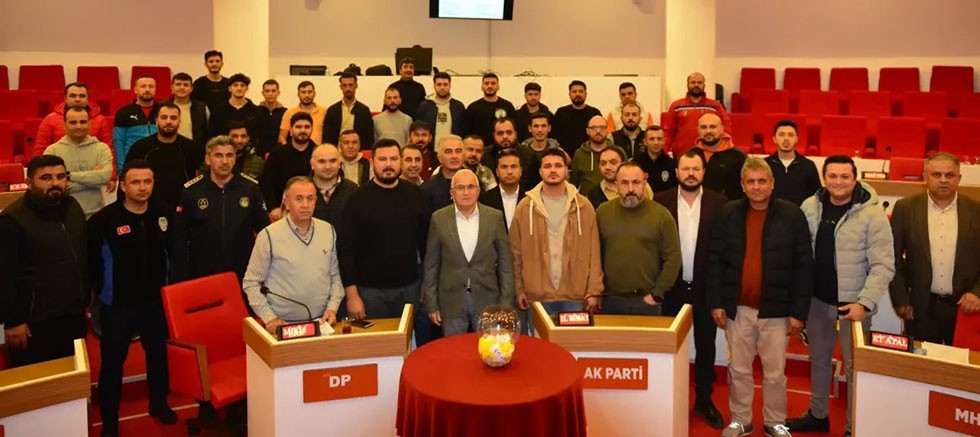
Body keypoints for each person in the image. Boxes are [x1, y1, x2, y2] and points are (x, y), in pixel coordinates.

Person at [789, 155, 895, 437]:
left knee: (854, 368)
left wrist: (865, 303)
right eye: (832, 176)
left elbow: (884, 265)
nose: (838, 182)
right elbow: (800, 253)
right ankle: (818, 415)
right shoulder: (810, 206)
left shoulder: (872, 214)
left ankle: (853, 426)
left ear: (854, 178)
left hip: (854, 306)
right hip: (817, 301)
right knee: (818, 361)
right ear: (824, 178)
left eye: (844, 176)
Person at [707, 157, 813, 437]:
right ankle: (741, 420)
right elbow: (715, 261)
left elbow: (804, 266)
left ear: (772, 183)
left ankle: (774, 422)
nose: (756, 187)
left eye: (762, 181)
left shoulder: (792, 215)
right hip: (738, 309)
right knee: (739, 369)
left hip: (777, 311)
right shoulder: (728, 214)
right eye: (751, 182)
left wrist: (799, 312)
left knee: (775, 373)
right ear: (742, 185)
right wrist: (716, 302)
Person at [88, 160, 177, 436]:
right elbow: (92, 264)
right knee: (112, 364)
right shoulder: (103, 221)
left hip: (155, 303)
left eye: (147, 181)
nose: (142, 187)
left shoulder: (164, 214)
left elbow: (172, 255)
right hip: (117, 306)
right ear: (123, 186)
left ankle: (159, 404)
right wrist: (96, 299)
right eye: (135, 182)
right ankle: (110, 421)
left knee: (158, 356)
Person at [654, 149, 729, 430]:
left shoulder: (720, 203)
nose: (690, 174)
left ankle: (704, 400)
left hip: (705, 289)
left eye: (696, 169)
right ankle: (664, 398)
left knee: (706, 347)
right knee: (667, 347)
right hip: (670, 289)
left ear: (704, 172)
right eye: (685, 169)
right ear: (676, 172)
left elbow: (723, 252)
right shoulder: (659, 201)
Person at [0, 155, 88, 368]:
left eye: (61, 176)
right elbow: (4, 275)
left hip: (73, 313)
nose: (55, 183)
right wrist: (13, 320)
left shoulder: (73, 206)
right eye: (46, 178)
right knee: (37, 382)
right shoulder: (12, 220)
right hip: (34, 322)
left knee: (73, 377)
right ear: (29, 183)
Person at [891, 153, 980, 344]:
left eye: (950, 175)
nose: (943, 180)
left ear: (959, 178)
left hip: (965, 307)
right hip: (919, 308)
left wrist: (978, 292)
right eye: (937, 175)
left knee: (961, 362)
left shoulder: (976, 210)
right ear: (925, 177)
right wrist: (900, 299)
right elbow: (893, 257)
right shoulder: (905, 208)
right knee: (921, 361)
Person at [338, 139, 430, 321]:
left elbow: (426, 244)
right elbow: (345, 250)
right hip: (369, 292)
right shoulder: (355, 199)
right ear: (372, 162)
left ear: (400, 161)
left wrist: (427, 282)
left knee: (407, 338)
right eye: (382, 159)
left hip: (409, 288)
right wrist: (352, 295)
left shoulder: (416, 194)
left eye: (393, 159)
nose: (388, 164)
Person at [510, 148, 602, 328]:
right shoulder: (525, 207)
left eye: (558, 166)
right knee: (539, 345)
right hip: (537, 294)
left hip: (575, 294)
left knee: (573, 343)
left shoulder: (584, 206)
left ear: (566, 170)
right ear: (540, 171)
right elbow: (515, 253)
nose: (553, 170)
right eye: (548, 166)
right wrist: (519, 289)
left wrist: (594, 290)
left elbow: (594, 252)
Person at [244, 176, 344, 333]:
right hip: (284, 325)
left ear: (315, 201)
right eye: (299, 199)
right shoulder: (268, 235)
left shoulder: (328, 231)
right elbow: (251, 282)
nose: (305, 205)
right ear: (287, 202)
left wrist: (332, 308)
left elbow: (336, 277)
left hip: (322, 322)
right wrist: (269, 318)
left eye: (310, 198)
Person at [423, 169, 514, 335]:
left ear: (478, 191)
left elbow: (506, 264)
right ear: (452, 193)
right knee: (455, 350)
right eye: (460, 188)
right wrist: (432, 304)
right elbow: (431, 265)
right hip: (451, 302)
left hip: (487, 300)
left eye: (471, 187)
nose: (466, 192)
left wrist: (505, 304)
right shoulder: (439, 218)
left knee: (489, 349)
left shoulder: (494, 217)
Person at [172, 136, 270, 284]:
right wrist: (181, 276)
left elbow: (264, 231)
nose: (224, 161)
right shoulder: (192, 191)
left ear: (235, 158)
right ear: (208, 159)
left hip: (243, 273)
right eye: (218, 155)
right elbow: (180, 237)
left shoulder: (250, 189)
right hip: (202, 273)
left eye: (229, 155)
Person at [597, 162, 681, 315]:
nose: (631, 189)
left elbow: (673, 258)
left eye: (636, 182)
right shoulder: (603, 213)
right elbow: (593, 255)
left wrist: (657, 294)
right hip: (610, 300)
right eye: (624, 183)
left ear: (644, 183)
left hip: (647, 301)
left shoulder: (661, 215)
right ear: (616, 185)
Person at [125, 103, 203, 210]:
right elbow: (126, 179)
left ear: (179, 122)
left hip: (183, 207)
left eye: (173, 118)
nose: (168, 121)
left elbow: (204, 177)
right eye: (164, 117)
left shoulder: (191, 148)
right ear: (157, 121)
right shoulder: (140, 147)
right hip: (147, 208)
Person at [43, 106, 113, 217]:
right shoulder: (52, 151)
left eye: (83, 122)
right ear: (64, 125)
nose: (78, 126)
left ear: (89, 124)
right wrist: (94, 180)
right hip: (63, 215)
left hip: (96, 215)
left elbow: (105, 177)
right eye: (73, 122)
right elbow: (54, 187)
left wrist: (69, 176)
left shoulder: (102, 148)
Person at [35, 82, 113, 160]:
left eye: (82, 96)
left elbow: (109, 151)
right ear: (65, 98)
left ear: (87, 99)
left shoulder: (100, 120)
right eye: (73, 96)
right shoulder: (50, 119)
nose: (77, 99)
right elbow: (40, 150)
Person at [663, 72, 731, 156]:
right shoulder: (676, 106)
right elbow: (668, 132)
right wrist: (663, 153)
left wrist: (724, 149)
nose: (696, 85)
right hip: (683, 155)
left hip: (710, 154)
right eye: (693, 82)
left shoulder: (715, 106)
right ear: (687, 85)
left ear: (704, 85)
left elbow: (726, 128)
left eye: (699, 82)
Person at [261, 112, 316, 214]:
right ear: (290, 130)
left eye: (307, 127)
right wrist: (273, 208)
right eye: (298, 127)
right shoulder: (277, 154)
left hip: (313, 209)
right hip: (281, 210)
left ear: (312, 129)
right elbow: (266, 183)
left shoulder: (318, 154)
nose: (303, 130)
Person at [765, 119, 820, 206]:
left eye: (790, 135)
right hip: (771, 213)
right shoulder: (765, 165)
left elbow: (816, 197)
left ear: (796, 139)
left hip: (800, 213)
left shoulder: (808, 165)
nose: (786, 138)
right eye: (781, 135)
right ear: (774, 139)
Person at [694, 113, 746, 201]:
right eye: (703, 127)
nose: (708, 131)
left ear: (722, 128)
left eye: (713, 127)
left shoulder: (739, 157)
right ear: (698, 130)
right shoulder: (690, 156)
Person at [570, 115, 625, 197]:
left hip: (615, 198)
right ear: (587, 131)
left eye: (602, 127)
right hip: (587, 200)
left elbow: (626, 176)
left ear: (607, 130)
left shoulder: (618, 152)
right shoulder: (579, 154)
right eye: (594, 128)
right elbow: (574, 184)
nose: (598, 131)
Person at [113, 74, 160, 171]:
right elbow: (119, 142)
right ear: (135, 90)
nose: (147, 89)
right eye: (143, 86)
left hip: (158, 161)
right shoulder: (124, 112)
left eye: (151, 86)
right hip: (133, 163)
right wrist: (122, 169)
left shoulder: (163, 111)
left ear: (155, 89)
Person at [586, 147, 652, 208]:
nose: (607, 167)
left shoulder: (643, 186)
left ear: (623, 164)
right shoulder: (592, 196)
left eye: (613, 162)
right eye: (603, 163)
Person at [551, 80, 602, 158]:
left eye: (581, 91)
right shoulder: (561, 113)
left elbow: (600, 135)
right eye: (574, 92)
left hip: (590, 156)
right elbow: (554, 138)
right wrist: (562, 154)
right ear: (569, 94)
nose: (578, 94)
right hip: (565, 158)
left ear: (586, 94)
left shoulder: (594, 113)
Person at [311, 143, 357, 228]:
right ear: (312, 164)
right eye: (321, 161)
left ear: (340, 164)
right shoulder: (301, 190)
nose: (328, 166)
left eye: (333, 161)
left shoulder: (353, 190)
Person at [464, 73, 516, 147]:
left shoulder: (507, 106)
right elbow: (467, 133)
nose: (490, 86)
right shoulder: (473, 108)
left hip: (504, 147)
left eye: (493, 83)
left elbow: (515, 129)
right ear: (482, 86)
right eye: (486, 83)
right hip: (480, 149)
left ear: (498, 86)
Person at [416, 72, 466, 149]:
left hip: (452, 151)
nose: (442, 87)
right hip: (430, 151)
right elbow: (418, 129)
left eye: (445, 84)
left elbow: (463, 131)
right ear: (434, 86)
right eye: (439, 84)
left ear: (450, 86)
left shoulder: (459, 107)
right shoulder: (425, 106)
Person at [207, 73, 263, 141]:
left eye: (242, 85)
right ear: (229, 88)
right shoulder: (218, 111)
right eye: (235, 85)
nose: (239, 88)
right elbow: (213, 137)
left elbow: (259, 136)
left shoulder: (255, 111)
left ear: (247, 89)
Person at [479, 149, 525, 231]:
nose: (509, 172)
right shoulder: (485, 199)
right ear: (497, 172)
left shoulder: (530, 198)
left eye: (513, 166)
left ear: (521, 171)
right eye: (504, 167)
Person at [324, 72, 373, 148]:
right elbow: (327, 136)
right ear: (340, 87)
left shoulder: (364, 110)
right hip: (337, 150)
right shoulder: (332, 110)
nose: (348, 88)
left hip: (357, 150)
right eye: (344, 85)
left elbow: (369, 136)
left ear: (356, 86)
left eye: (351, 85)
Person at [162, 72, 208, 147]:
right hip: (167, 147)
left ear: (191, 89)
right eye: (178, 84)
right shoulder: (162, 107)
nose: (182, 88)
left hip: (194, 149)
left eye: (186, 85)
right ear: (172, 87)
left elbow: (207, 131)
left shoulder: (201, 107)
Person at [421, 135, 466, 212]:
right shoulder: (427, 188)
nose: (454, 156)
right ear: (439, 158)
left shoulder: (475, 183)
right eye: (448, 152)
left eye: (458, 151)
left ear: (464, 156)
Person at [518, 112, 560, 192]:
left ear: (549, 128)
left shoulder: (558, 153)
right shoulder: (520, 154)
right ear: (530, 128)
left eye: (543, 126)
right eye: (536, 126)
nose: (540, 130)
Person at [278, 81, 326, 145]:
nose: (307, 95)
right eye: (303, 92)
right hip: (296, 150)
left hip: (319, 150)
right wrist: (287, 149)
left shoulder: (324, 111)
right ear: (298, 94)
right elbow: (282, 137)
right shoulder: (289, 112)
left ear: (314, 94)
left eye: (309, 92)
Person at [634, 126, 678, 193]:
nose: (656, 142)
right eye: (652, 139)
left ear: (664, 141)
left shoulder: (672, 164)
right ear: (645, 142)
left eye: (659, 139)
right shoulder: (636, 164)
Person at [256, 79, 287, 156]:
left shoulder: (286, 113)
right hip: (258, 154)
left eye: (273, 91)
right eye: (267, 91)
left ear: (278, 93)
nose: (270, 94)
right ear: (263, 93)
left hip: (279, 154)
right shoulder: (255, 111)